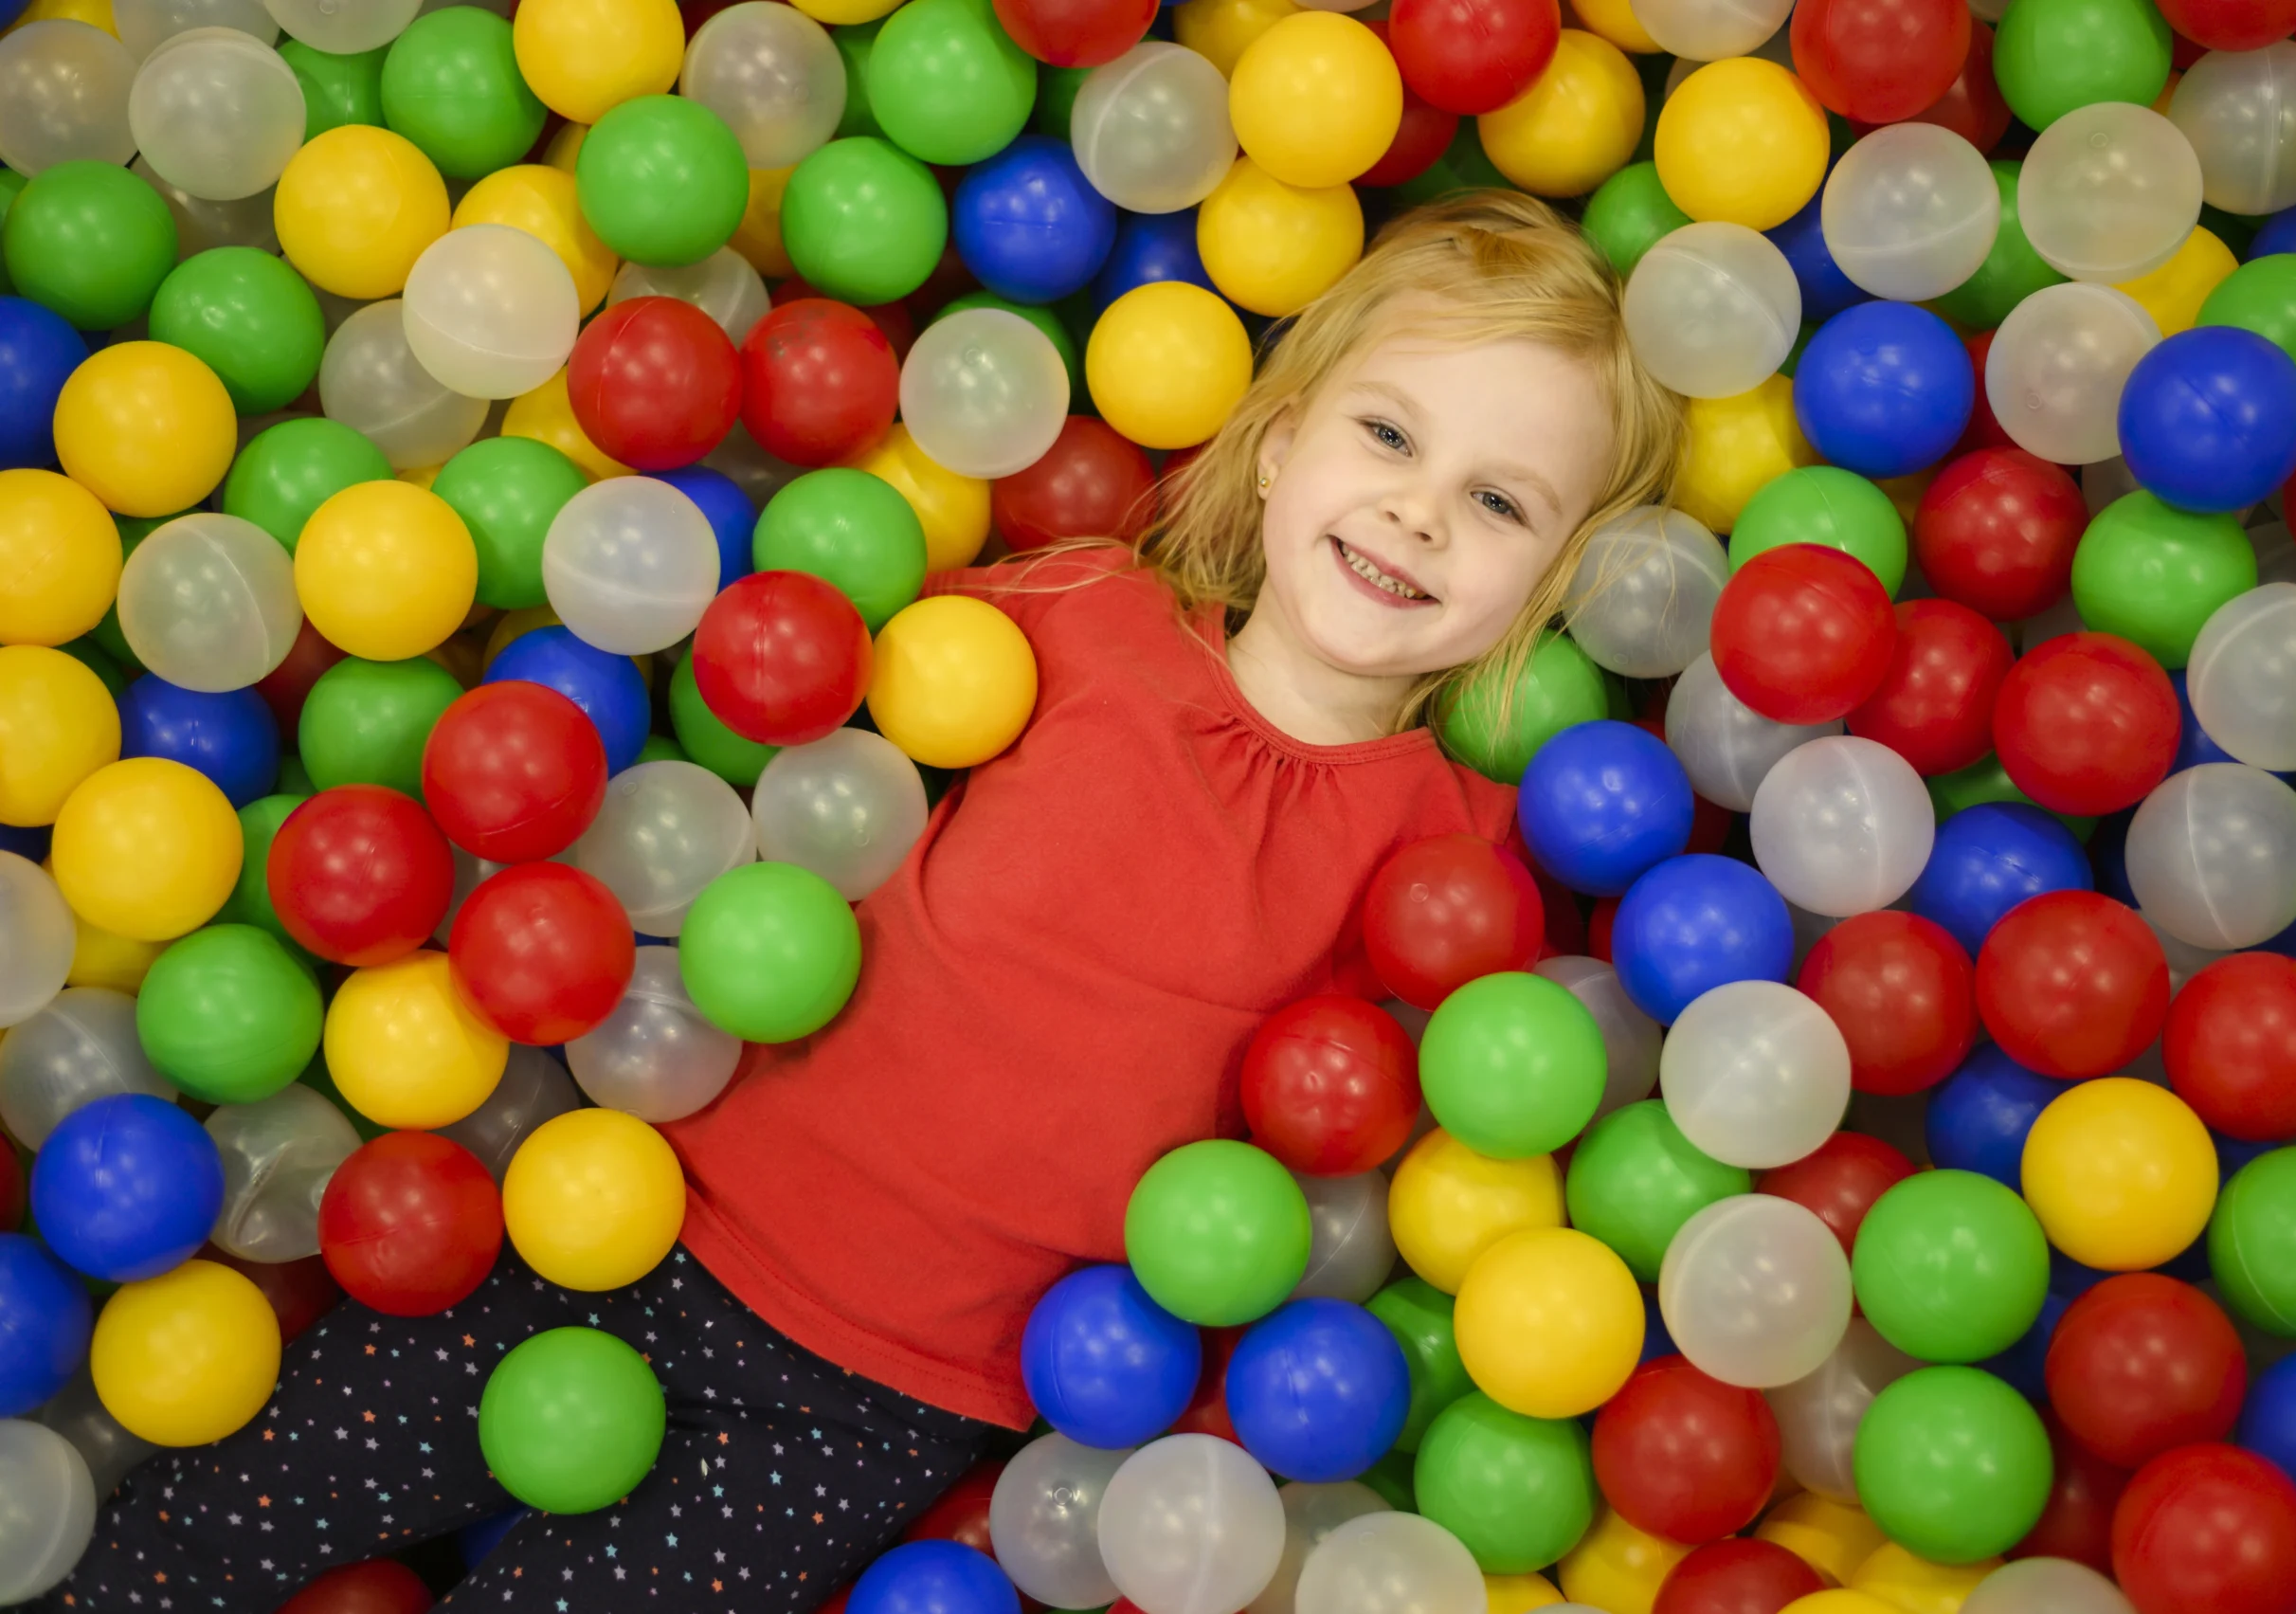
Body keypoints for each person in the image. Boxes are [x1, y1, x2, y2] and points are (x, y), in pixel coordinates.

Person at [45, 190, 1680, 1613]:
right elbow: (808, 732)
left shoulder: (1448, 856)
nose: (1416, 509)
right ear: (1279, 443)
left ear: (1542, 588)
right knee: (225, 1525)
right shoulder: (1079, 623)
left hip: (879, 1402)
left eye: (1499, 502)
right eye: (1391, 436)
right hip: (623, 1217)